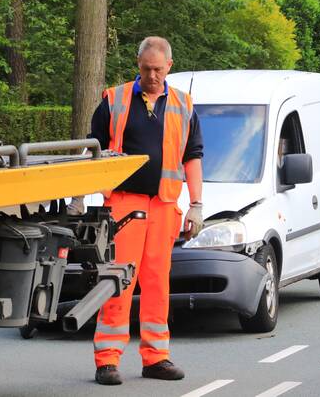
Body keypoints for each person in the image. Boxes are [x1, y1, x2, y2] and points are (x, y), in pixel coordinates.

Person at [87, 36, 204, 386]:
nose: (152, 75)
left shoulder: (184, 104)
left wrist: (196, 204)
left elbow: (193, 155)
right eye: (146, 69)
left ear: (169, 66)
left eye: (157, 69)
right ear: (138, 65)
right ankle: (107, 359)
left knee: (157, 283)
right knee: (118, 282)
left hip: (165, 205)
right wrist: (81, 196)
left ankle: (156, 357)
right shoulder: (115, 99)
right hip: (124, 203)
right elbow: (92, 151)